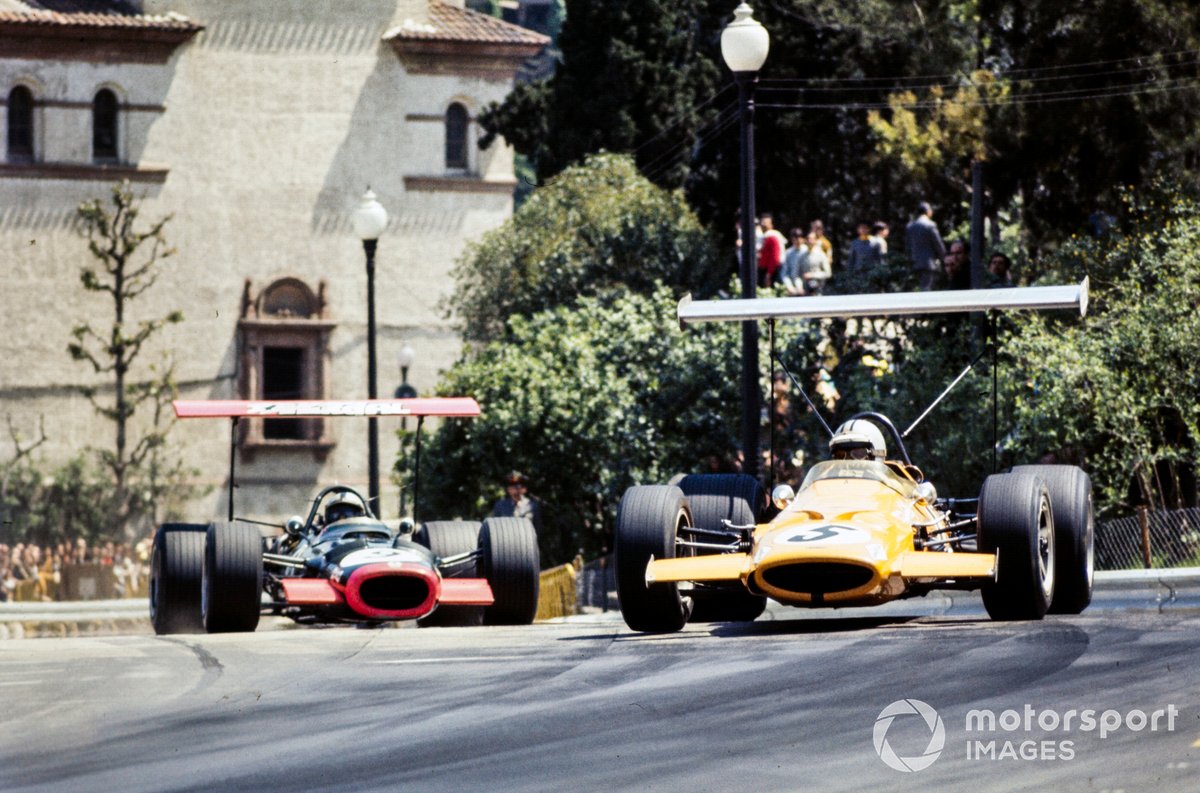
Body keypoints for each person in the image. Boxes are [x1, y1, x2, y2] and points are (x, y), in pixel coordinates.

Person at [906, 202, 946, 291]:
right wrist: (944, 258)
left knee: (918, 288)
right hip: (929, 263)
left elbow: (908, 245)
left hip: (914, 262)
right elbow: (937, 243)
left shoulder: (910, 226)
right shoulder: (930, 225)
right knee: (927, 289)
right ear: (928, 211)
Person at [492, 471, 543, 535]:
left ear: (524, 489)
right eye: (513, 487)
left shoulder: (532, 506)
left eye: (519, 487)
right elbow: (495, 529)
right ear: (508, 490)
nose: (516, 490)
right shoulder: (500, 506)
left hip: (527, 542)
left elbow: (538, 530)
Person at [757, 213, 786, 288]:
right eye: (762, 223)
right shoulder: (766, 236)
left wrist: (769, 274)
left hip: (773, 270)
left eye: (765, 223)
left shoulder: (772, 236)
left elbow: (775, 257)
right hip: (769, 269)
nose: (763, 225)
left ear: (771, 225)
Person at [799, 231, 831, 295]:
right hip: (805, 290)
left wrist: (812, 275)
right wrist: (799, 287)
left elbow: (828, 273)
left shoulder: (821, 255)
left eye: (812, 239)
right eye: (808, 239)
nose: (810, 241)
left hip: (819, 289)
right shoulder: (802, 256)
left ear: (816, 240)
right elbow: (798, 274)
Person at [780, 228, 808, 295]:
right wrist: (789, 286)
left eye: (800, 237)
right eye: (795, 238)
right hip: (792, 287)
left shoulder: (807, 251)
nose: (798, 240)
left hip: (807, 286)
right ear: (792, 239)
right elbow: (784, 273)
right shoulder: (788, 253)